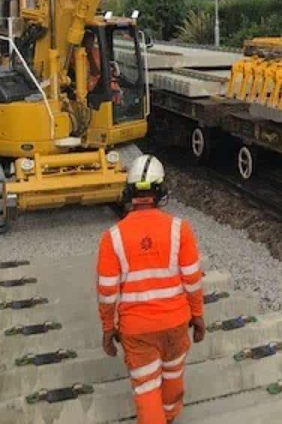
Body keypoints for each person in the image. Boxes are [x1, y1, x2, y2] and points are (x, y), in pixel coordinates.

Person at [97, 155, 206, 423]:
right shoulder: (180, 229)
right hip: (176, 323)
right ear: (161, 191)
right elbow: (192, 280)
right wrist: (198, 317)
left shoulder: (113, 237)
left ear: (129, 191)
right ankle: (169, 416)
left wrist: (108, 330)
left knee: (147, 389)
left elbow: (107, 292)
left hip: (137, 331)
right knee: (172, 376)